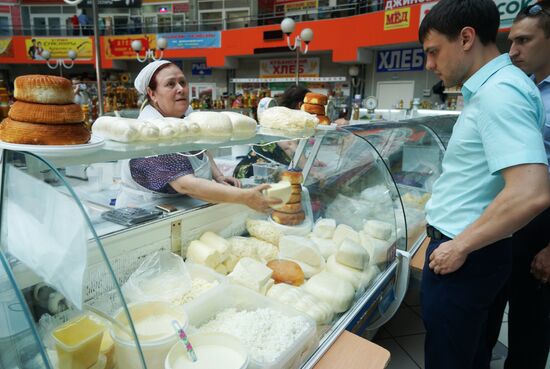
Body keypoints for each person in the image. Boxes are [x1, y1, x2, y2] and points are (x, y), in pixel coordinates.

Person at [418, 1, 550, 369]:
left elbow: (531, 191)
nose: (430, 64)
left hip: (465, 257)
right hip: (480, 251)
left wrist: (459, 246)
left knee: (451, 357)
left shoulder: (499, 94)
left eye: (433, 51)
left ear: (466, 38)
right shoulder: (501, 87)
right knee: (471, 352)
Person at [116, 61, 280, 213]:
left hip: (183, 205)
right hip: (145, 215)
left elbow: (200, 148)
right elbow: (186, 185)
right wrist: (245, 197)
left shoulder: (185, 115)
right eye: (170, 84)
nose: (180, 88)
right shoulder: (151, 131)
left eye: (182, 82)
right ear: (152, 94)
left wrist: (218, 176)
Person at [486, 2, 550, 368]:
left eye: (524, 41)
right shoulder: (521, 88)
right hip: (509, 214)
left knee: (530, 320)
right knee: (493, 306)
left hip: (543, 221)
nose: (512, 51)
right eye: (511, 41)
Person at [232, 85, 310, 179]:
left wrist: (311, 161)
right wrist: (311, 170)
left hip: (265, 171)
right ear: (300, 105)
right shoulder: (285, 119)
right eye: (311, 105)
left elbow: (297, 150)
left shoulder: (293, 119)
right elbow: (289, 145)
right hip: (252, 173)